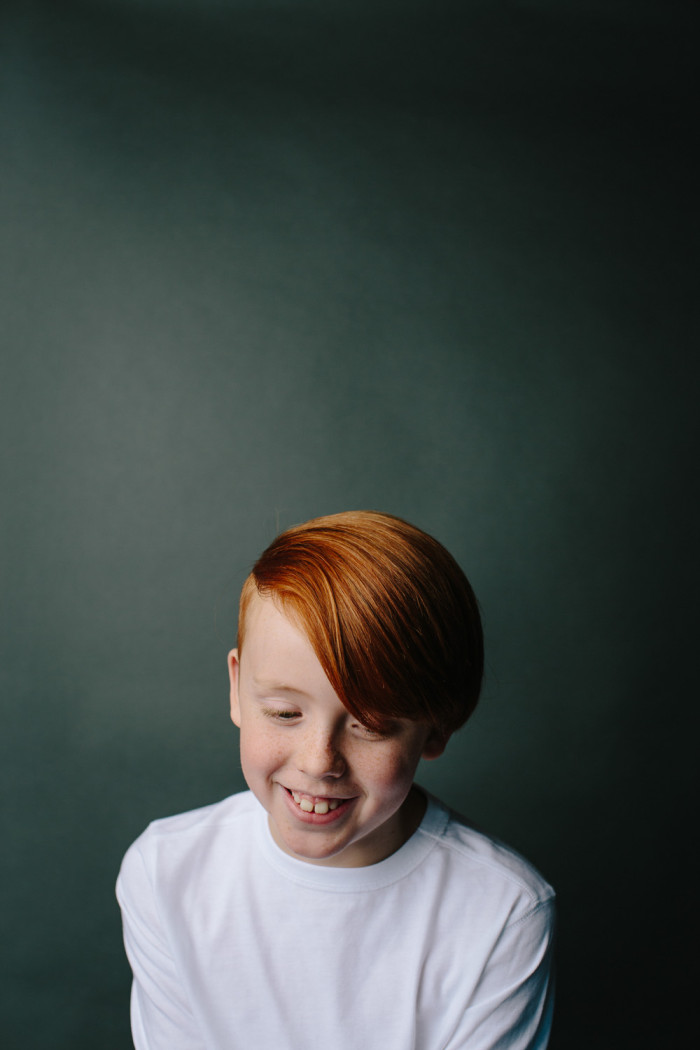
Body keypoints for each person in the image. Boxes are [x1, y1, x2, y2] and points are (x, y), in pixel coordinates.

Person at [117, 511, 555, 1049]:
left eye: (369, 727)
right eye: (283, 713)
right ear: (236, 688)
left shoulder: (503, 912)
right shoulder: (166, 873)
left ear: (435, 730)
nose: (319, 760)